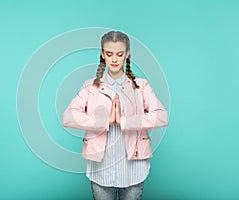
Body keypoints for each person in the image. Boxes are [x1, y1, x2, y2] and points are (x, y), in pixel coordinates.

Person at [62, 30, 168, 200]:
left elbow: (162, 116)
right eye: (109, 54)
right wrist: (106, 121)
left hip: (134, 169)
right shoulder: (90, 87)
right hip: (100, 170)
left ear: (127, 54)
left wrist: (124, 121)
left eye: (119, 54)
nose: (114, 59)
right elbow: (68, 117)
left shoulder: (141, 86)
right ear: (103, 54)